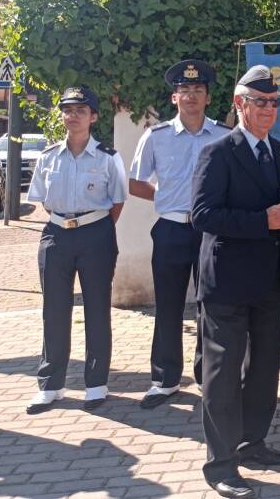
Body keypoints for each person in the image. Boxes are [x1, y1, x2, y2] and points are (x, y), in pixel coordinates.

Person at [191, 65, 280, 499]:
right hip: (227, 282)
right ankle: (221, 464)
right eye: (260, 101)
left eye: (274, 102)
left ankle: (252, 442)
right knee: (222, 375)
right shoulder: (217, 152)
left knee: (264, 368)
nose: (268, 109)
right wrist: (264, 221)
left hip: (271, 279)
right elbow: (203, 216)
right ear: (240, 103)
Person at [129, 59, 229, 409]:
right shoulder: (155, 137)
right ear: (175, 98)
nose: (190, 96)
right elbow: (136, 182)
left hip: (209, 232)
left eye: (197, 91)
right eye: (184, 91)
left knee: (210, 305)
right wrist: (167, 197)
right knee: (168, 306)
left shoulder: (223, 136)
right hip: (170, 228)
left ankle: (208, 378)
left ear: (207, 97)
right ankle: (165, 379)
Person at [25, 85, 127, 414]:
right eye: (68, 110)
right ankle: (50, 385)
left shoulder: (110, 158)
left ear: (93, 116)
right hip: (56, 235)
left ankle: (96, 384)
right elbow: (41, 199)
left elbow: (118, 201)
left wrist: (94, 227)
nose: (73, 116)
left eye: (81, 110)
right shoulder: (48, 156)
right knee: (54, 310)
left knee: (97, 309)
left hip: (96, 234)